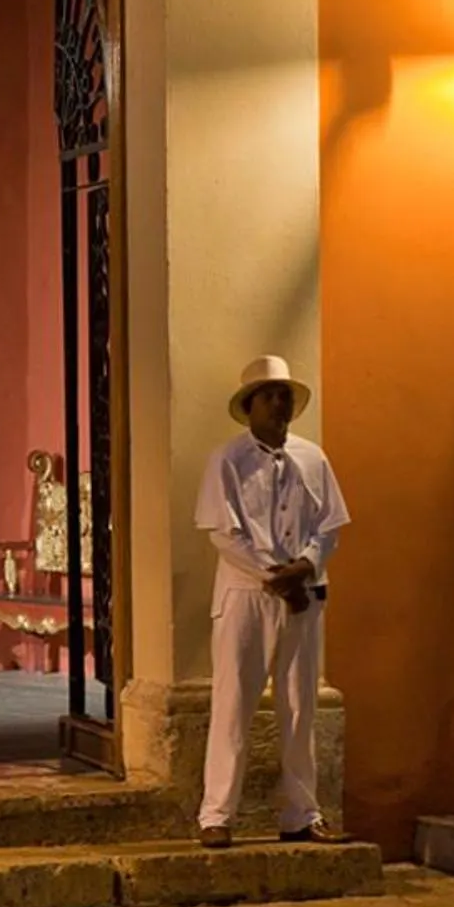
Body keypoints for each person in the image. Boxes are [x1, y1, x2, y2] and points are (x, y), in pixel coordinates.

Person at [196, 355, 351, 849]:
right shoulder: (228, 460)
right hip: (247, 596)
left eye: (284, 395)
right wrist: (276, 576)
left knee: (300, 707)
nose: (279, 404)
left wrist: (306, 564)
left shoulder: (313, 458)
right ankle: (217, 814)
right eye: (269, 396)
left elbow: (329, 525)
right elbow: (224, 533)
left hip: (302, 595)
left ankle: (302, 813)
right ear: (250, 406)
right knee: (233, 704)